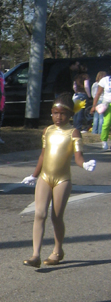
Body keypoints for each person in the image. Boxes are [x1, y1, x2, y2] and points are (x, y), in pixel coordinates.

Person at [21, 94, 95, 268]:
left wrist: (84, 165)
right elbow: (43, 155)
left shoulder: (74, 133)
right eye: (55, 113)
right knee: (40, 214)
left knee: (56, 217)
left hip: (62, 180)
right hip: (44, 177)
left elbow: (78, 158)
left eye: (62, 114)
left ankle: (57, 250)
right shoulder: (48, 131)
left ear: (70, 115)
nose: (58, 117)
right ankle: (35, 255)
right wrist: (34, 174)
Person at [90, 71, 111, 150]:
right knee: (107, 123)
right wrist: (94, 106)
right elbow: (98, 94)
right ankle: (104, 140)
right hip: (108, 104)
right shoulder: (105, 80)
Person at [90, 71, 108, 136]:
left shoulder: (94, 84)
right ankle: (100, 132)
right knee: (102, 117)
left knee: (95, 117)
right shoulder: (104, 84)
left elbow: (93, 93)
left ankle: (94, 131)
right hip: (103, 101)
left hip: (96, 101)